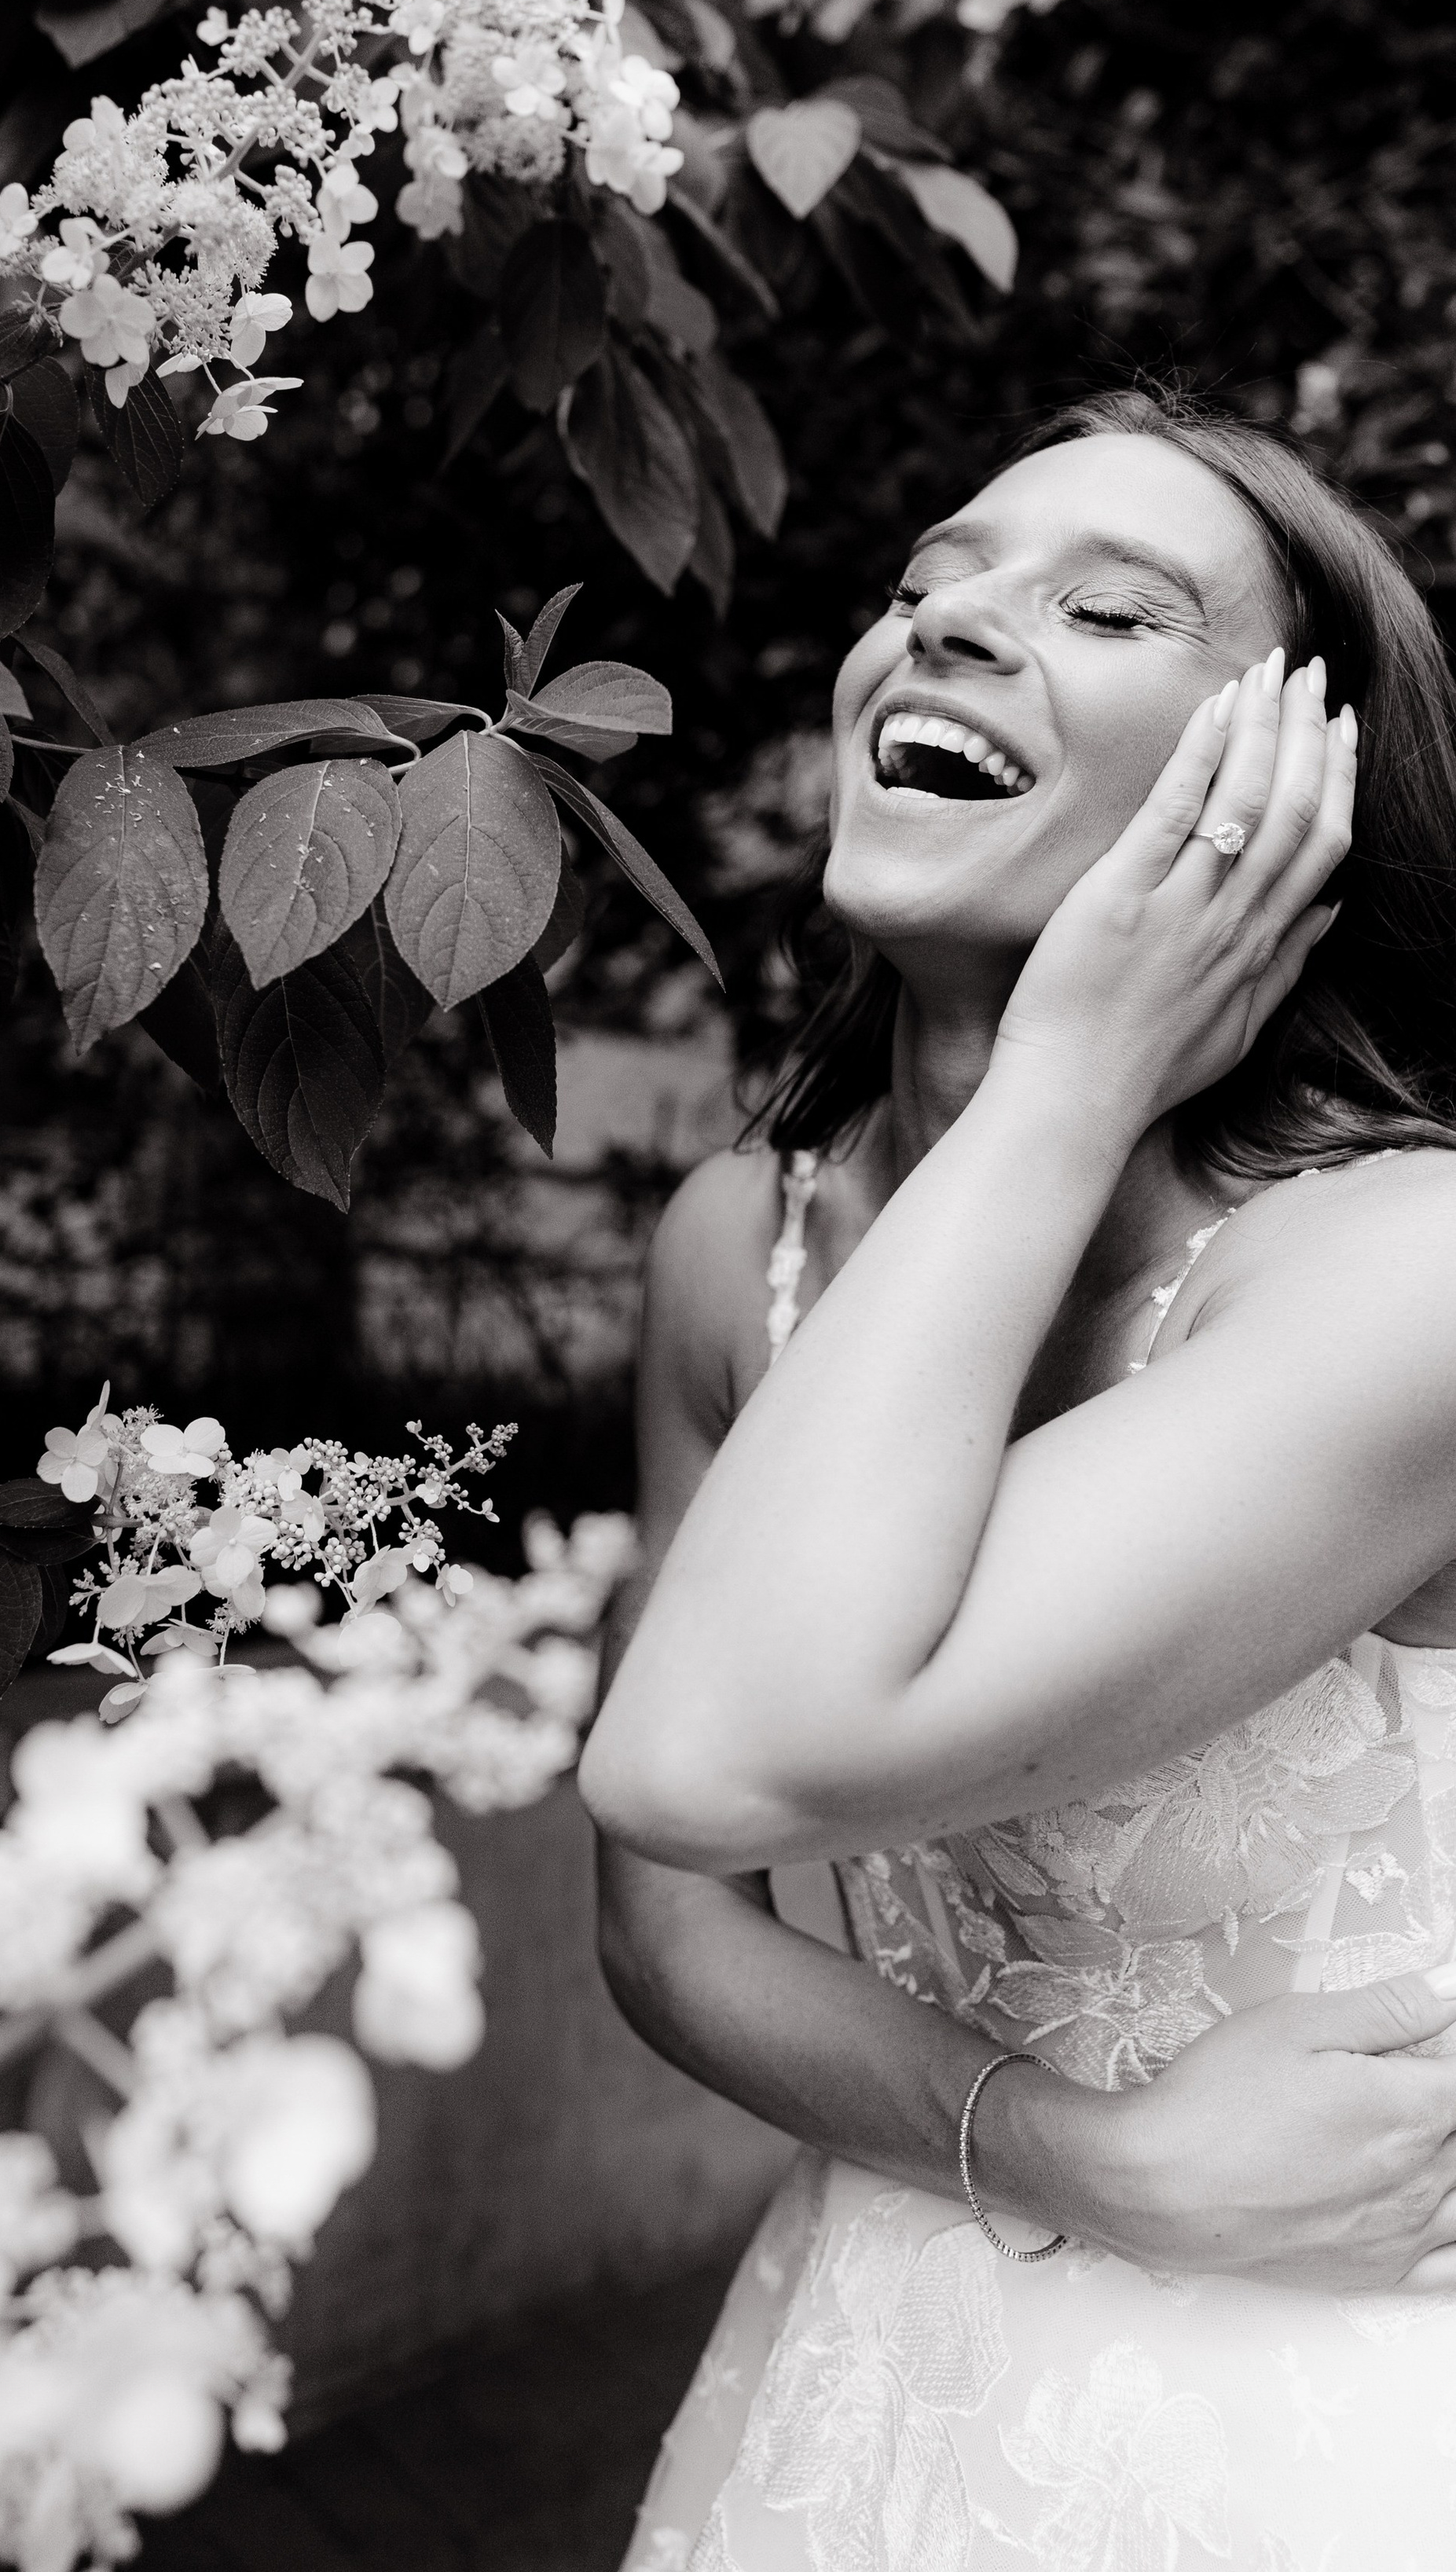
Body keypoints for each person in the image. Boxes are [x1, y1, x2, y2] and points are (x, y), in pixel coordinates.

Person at [581, 387, 1456, 2570]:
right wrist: (1076, 2157)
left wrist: (1071, 1075)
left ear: (1294, 787)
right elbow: (662, 1890)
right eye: (926, 582)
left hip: (1346, 2406)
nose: (950, 625)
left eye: (1102, 605)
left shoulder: (1405, 1270)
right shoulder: (739, 1249)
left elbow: (711, 1754)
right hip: (893, 2343)